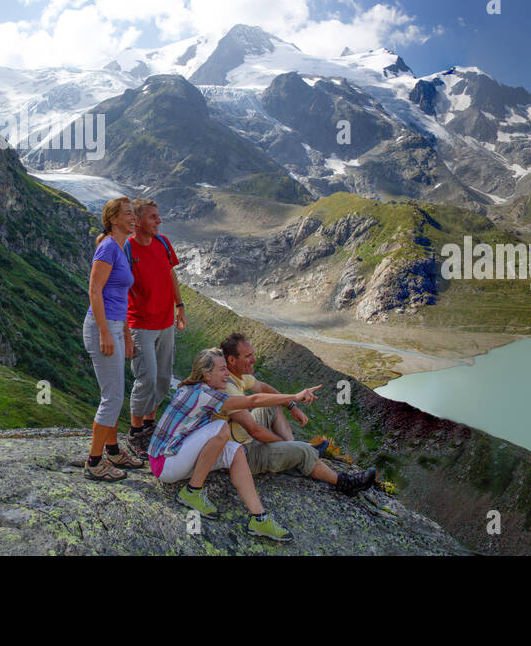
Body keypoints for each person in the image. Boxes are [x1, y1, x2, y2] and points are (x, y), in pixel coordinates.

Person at [147, 349, 322, 542]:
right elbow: (252, 400)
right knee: (221, 428)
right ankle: (192, 492)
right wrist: (295, 398)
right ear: (206, 374)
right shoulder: (203, 394)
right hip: (164, 463)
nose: (227, 374)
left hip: (176, 457)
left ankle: (259, 518)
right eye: (222, 370)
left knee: (234, 450)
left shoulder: (199, 389)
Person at [215, 332, 377, 496]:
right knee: (304, 451)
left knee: (273, 404)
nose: (254, 360)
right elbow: (254, 430)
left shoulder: (235, 375)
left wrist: (291, 405)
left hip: (241, 438)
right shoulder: (227, 388)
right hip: (242, 455)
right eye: (248, 356)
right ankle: (345, 483)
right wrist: (286, 445)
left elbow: (263, 388)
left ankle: (293, 453)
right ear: (232, 360)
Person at [81, 197, 145, 481]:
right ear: (113, 218)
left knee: (115, 392)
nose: (134, 219)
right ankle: (94, 463)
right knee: (112, 397)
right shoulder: (107, 247)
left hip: (115, 326)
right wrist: (106, 333)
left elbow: (118, 297)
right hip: (101, 327)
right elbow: (95, 292)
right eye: (129, 214)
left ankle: (114, 451)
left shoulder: (119, 247)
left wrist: (125, 335)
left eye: (134, 214)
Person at [124, 198, 185, 458]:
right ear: (137, 221)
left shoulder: (162, 242)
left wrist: (180, 304)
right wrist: (124, 331)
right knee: (146, 377)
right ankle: (135, 432)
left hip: (166, 322)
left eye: (157, 216)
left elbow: (171, 273)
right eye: (153, 217)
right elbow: (117, 289)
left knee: (162, 377)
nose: (159, 221)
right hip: (140, 325)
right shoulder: (126, 249)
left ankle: (150, 424)